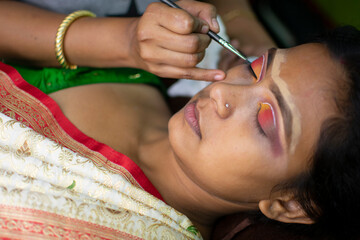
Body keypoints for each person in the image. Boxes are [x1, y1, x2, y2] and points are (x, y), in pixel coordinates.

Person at [0, 24, 359, 240]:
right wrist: (122, 39)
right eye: (254, 69)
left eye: (264, 122)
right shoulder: (146, 65)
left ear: (290, 204)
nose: (222, 93)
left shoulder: (132, 230)